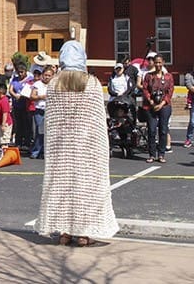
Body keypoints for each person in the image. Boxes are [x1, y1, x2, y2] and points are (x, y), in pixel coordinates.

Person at [35, 40, 118, 247]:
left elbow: (51, 120)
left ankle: (64, 232)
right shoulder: (92, 83)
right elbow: (98, 119)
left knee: (62, 187)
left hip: (61, 146)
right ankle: (84, 234)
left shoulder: (54, 84)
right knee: (86, 189)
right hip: (87, 146)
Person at [142, 54, 174, 163]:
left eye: (160, 62)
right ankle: (151, 154)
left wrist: (161, 104)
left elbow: (170, 91)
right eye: (156, 62)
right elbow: (145, 89)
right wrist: (151, 101)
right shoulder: (148, 76)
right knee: (151, 130)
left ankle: (161, 154)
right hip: (150, 106)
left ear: (163, 63)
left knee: (163, 130)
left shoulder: (168, 76)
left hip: (164, 106)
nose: (158, 65)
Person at [30, 66, 54, 159]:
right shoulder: (37, 84)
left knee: (48, 132)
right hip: (39, 110)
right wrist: (41, 97)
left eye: (49, 75)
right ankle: (36, 151)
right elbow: (32, 96)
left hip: (50, 110)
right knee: (40, 132)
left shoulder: (54, 85)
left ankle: (45, 152)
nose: (47, 77)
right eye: (45, 75)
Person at [9, 63, 33, 150]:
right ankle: (18, 142)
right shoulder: (15, 79)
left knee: (27, 124)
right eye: (19, 72)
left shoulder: (30, 79)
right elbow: (10, 89)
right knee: (18, 124)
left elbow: (30, 90)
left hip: (26, 104)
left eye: (22, 72)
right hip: (17, 104)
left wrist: (22, 95)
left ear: (26, 71)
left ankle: (27, 142)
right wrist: (15, 95)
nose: (20, 74)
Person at [0, 84, 12, 149]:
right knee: (0, 140)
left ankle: (4, 155)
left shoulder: (4, 101)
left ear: (0, 91)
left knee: (4, 140)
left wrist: (3, 124)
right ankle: (3, 153)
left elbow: (5, 113)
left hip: (5, 123)